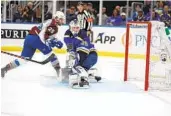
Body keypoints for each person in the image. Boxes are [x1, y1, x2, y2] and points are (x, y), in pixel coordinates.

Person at [1, 11, 65, 78]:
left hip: (29, 38)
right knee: (52, 56)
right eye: (61, 19)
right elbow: (44, 36)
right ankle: (59, 74)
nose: (62, 21)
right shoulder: (53, 25)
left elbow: (48, 34)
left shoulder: (50, 22)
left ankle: (5, 68)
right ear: (57, 18)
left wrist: (55, 40)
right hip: (37, 39)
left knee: (24, 60)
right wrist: (50, 42)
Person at [62, 19, 101, 88]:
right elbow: (70, 46)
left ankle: (83, 77)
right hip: (83, 54)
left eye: (77, 28)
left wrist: (77, 66)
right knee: (71, 57)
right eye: (74, 28)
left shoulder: (83, 34)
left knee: (78, 63)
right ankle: (85, 71)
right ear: (70, 28)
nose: (76, 29)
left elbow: (81, 52)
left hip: (91, 55)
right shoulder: (67, 34)